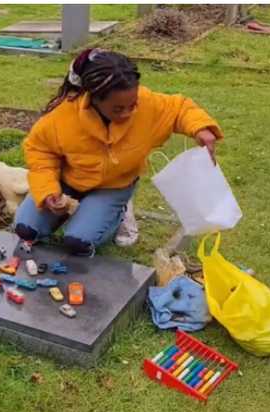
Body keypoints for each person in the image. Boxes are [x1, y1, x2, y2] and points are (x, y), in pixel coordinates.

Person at [15, 47, 222, 256]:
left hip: (114, 186)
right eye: (118, 109)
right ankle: (78, 213)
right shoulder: (62, 117)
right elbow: (40, 152)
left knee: (78, 242)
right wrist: (48, 192)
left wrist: (201, 128)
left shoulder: (147, 103)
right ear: (94, 99)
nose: (127, 113)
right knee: (26, 230)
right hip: (69, 181)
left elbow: (180, 109)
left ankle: (117, 212)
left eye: (132, 105)